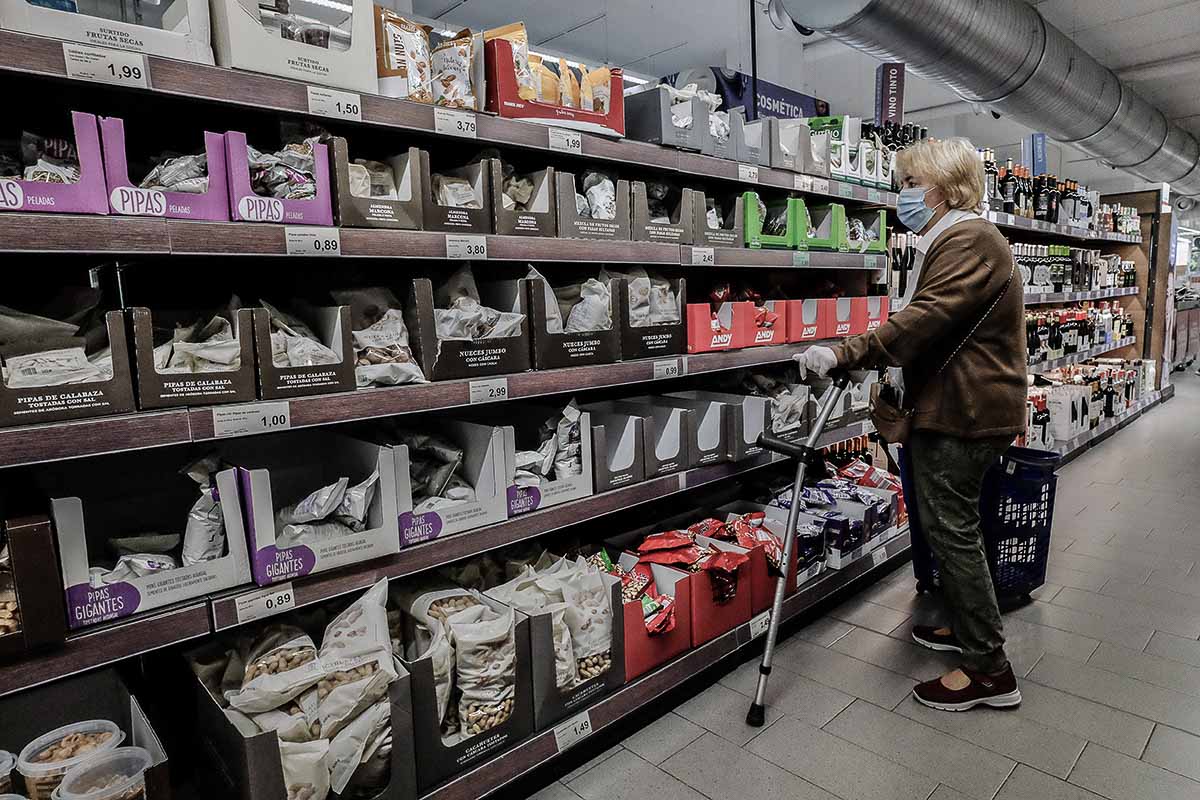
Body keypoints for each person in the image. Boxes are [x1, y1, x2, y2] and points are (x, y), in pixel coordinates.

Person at [796, 137, 1027, 712]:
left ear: (946, 189)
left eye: (909, 184)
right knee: (952, 527)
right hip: (955, 406)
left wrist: (845, 353)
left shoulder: (970, 238)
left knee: (953, 531)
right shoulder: (955, 237)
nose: (902, 195)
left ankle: (989, 669)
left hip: (963, 412)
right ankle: (968, 627)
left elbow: (924, 320)